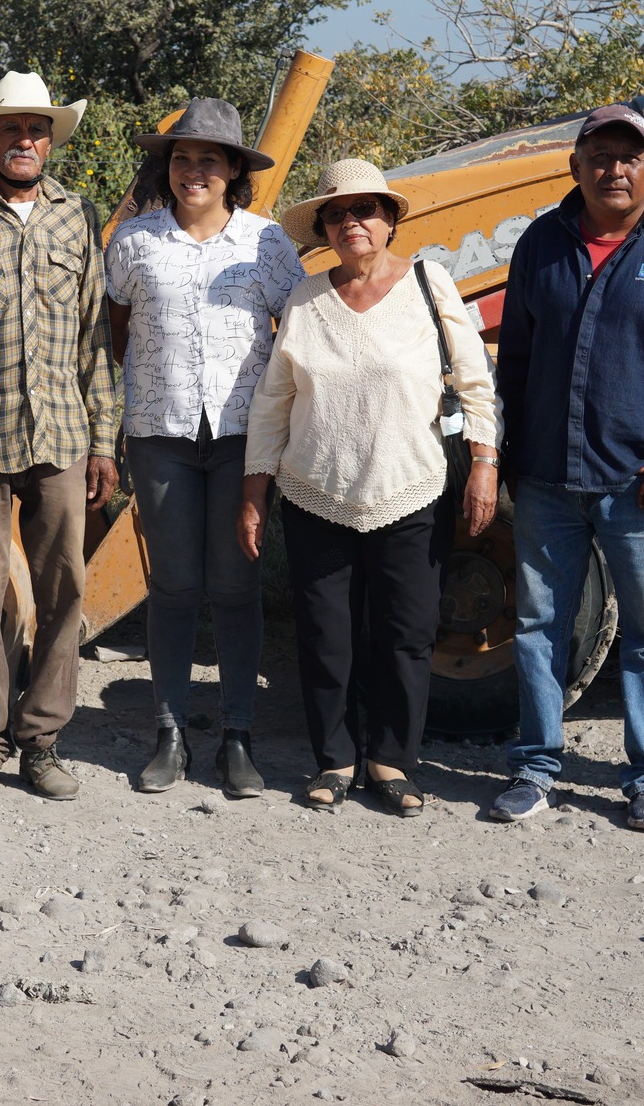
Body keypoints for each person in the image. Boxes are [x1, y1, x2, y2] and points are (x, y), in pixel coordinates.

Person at [491, 104, 644, 832]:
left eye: (630, 156)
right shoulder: (541, 243)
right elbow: (518, 361)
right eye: (600, 155)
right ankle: (536, 766)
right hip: (548, 479)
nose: (615, 169)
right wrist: (511, 456)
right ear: (575, 166)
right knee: (540, 625)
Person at [240, 158, 499, 817]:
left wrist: (486, 464)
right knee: (327, 634)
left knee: (406, 632)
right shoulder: (305, 299)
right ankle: (334, 758)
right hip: (315, 491)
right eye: (337, 213)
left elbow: (473, 379)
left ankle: (392, 759)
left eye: (365, 210)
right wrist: (255, 488)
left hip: (409, 488)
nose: (352, 222)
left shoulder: (428, 282)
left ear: (389, 220)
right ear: (324, 227)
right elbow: (274, 403)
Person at [0, 70, 117, 802]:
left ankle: (42, 739)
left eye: (36, 128)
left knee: (64, 588)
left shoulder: (77, 216)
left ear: (49, 140)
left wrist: (105, 438)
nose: (25, 140)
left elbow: (94, 335)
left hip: (63, 432)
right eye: (11, 129)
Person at [106, 98, 303, 797]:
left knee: (235, 585)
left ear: (232, 173)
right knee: (173, 584)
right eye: (182, 158)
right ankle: (170, 732)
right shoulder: (134, 243)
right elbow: (116, 331)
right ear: (168, 167)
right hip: (160, 432)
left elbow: (296, 327)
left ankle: (238, 737)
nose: (194, 170)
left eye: (208, 160)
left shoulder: (266, 243)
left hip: (242, 439)